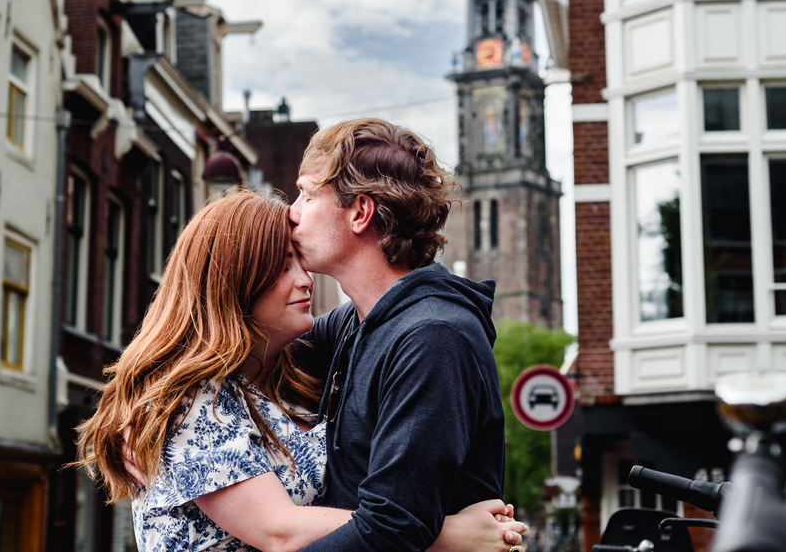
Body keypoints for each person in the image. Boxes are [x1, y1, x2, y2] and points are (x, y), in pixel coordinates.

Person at [75, 190, 526, 552]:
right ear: (234, 281)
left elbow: (396, 301)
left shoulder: (280, 371)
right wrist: (446, 536)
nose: (306, 279)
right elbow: (280, 532)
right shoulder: (191, 403)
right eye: (283, 266)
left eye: (301, 262)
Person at [289, 118, 508, 552]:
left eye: (308, 195)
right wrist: (153, 403)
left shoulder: (432, 338)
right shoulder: (358, 323)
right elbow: (245, 355)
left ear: (359, 213)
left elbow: (391, 530)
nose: (291, 211)